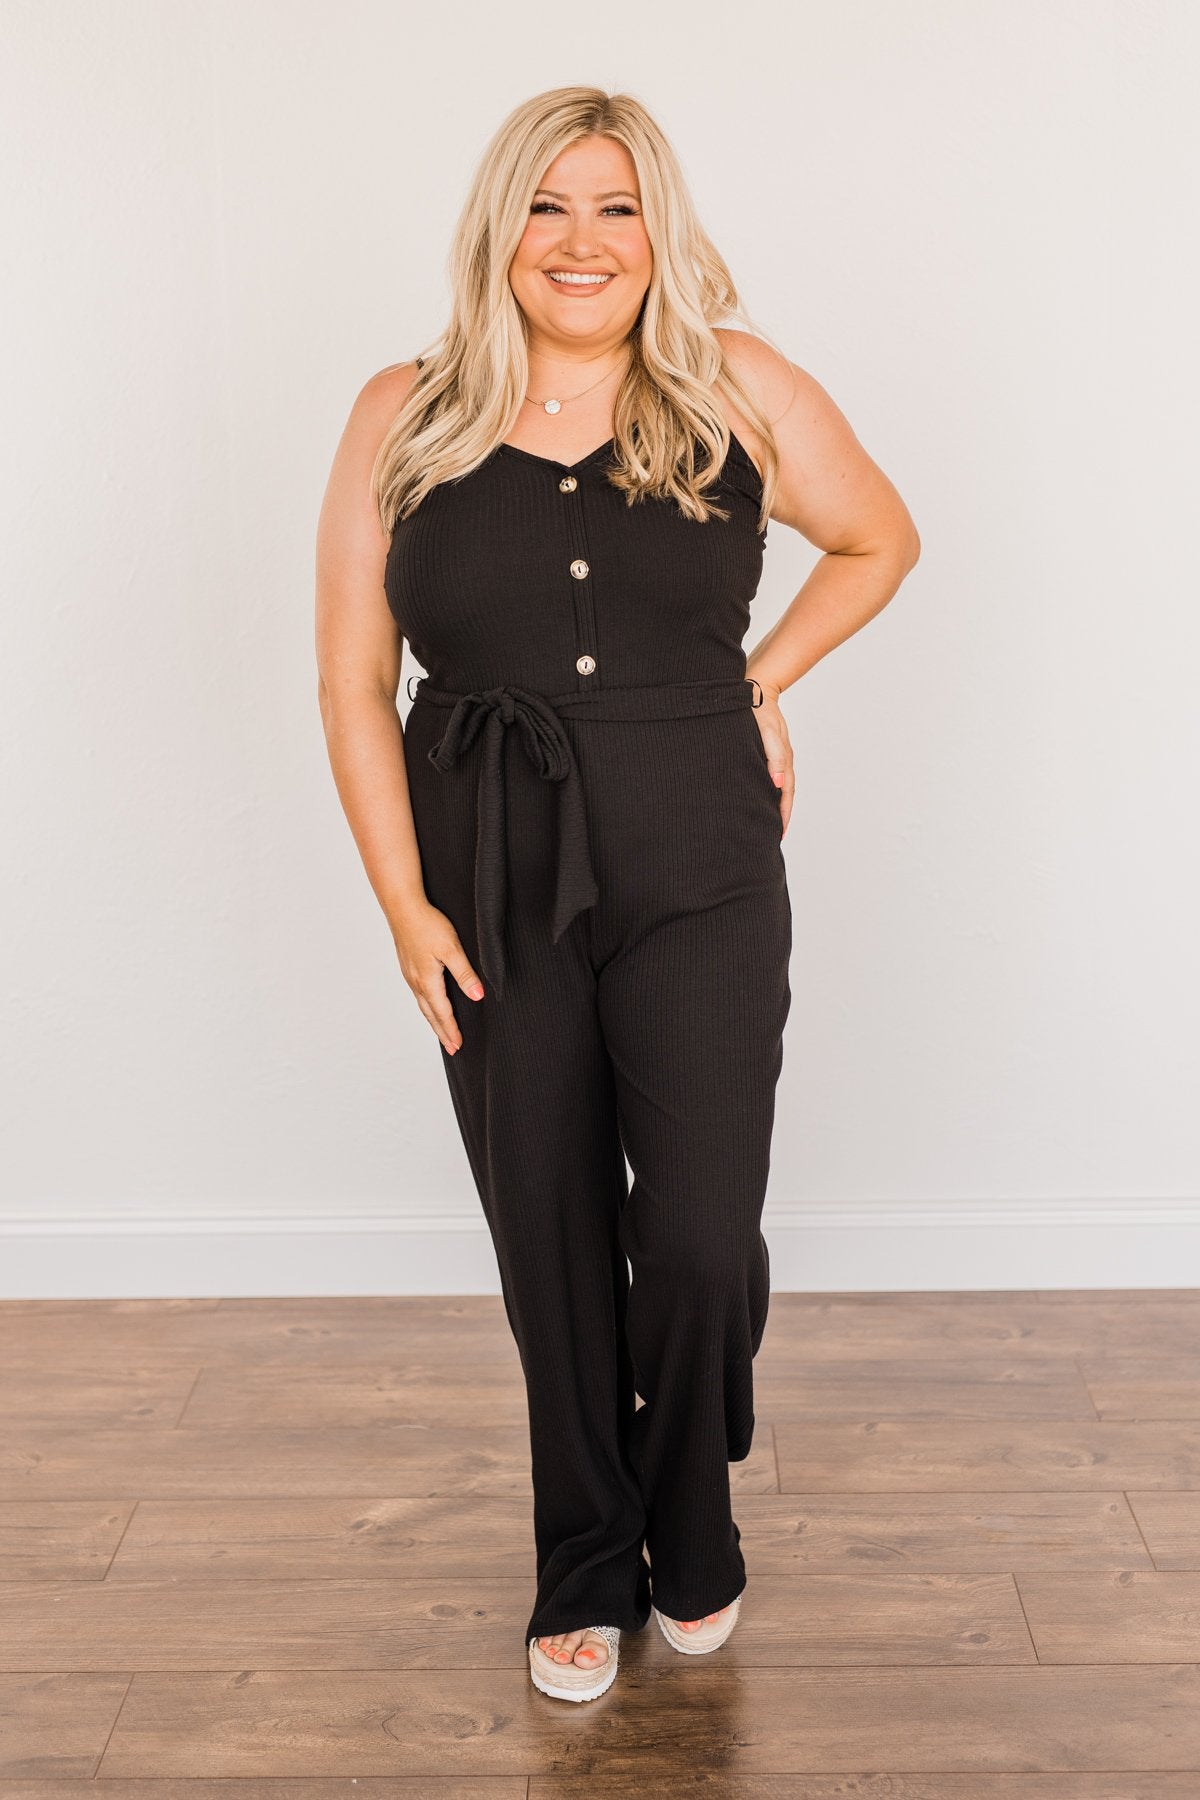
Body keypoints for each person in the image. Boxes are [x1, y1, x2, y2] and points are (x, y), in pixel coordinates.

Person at [315, 85, 920, 1704]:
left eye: (616, 208)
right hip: (486, 867)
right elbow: (353, 676)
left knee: (703, 1236)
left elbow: (878, 539)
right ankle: (587, 1557)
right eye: (548, 205)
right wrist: (404, 905)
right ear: (499, 226)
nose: (580, 242)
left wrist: (759, 682)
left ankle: (690, 1508)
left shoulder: (737, 387)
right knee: (553, 1237)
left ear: (660, 230)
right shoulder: (402, 413)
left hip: (701, 857)